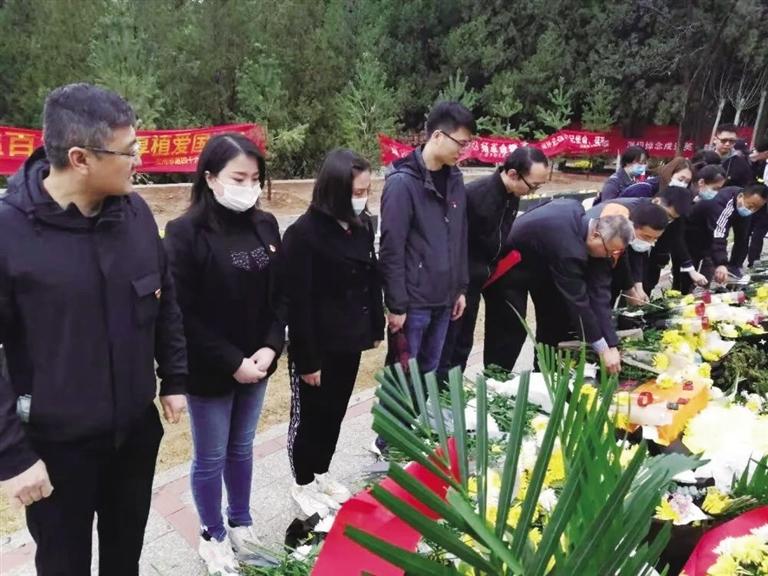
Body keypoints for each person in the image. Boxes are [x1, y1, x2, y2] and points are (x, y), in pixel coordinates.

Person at [0, 83, 187, 575]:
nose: (138, 160)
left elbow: (164, 294)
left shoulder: (135, 214)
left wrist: (175, 376)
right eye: (128, 151)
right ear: (80, 158)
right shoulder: (9, 233)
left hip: (133, 435)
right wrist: (12, 457)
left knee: (125, 560)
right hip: (57, 449)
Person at [164, 134, 284, 574]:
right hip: (212, 367)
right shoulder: (184, 233)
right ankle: (212, 534)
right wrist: (233, 362)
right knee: (211, 455)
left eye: (255, 178)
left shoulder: (265, 225)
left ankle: (241, 523)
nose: (248, 186)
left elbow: (280, 295)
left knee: (242, 447)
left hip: (259, 362)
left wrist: (270, 346)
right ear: (211, 178)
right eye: (238, 178)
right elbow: (182, 313)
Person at [281, 149, 384, 518]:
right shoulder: (303, 235)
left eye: (366, 191)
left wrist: (375, 326)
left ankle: (321, 472)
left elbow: (371, 278)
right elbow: (298, 303)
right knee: (309, 416)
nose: (362, 199)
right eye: (356, 192)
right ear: (334, 190)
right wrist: (308, 359)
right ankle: (302, 482)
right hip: (317, 344)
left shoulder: (361, 225)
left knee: (335, 412)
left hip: (349, 339)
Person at [379, 101, 474, 374]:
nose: (463, 151)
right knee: (403, 379)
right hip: (414, 303)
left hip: (445, 300)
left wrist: (460, 288)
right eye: (461, 143)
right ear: (438, 136)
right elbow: (391, 248)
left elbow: (459, 236)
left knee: (429, 374)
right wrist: (396, 305)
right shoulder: (402, 183)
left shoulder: (455, 179)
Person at [438, 147, 549, 375]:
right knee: (453, 343)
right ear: (513, 174)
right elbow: (453, 243)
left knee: (471, 340)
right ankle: (443, 390)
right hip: (462, 279)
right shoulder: (475, 196)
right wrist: (459, 286)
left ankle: (484, 379)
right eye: (533, 186)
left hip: (486, 274)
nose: (533, 191)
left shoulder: (512, 196)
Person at [502, 199, 635, 373]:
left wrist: (611, 343)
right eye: (609, 251)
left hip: (544, 267)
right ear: (595, 235)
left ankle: (544, 370)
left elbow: (599, 295)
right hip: (509, 268)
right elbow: (578, 301)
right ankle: (497, 377)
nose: (610, 256)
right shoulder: (569, 250)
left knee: (554, 318)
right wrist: (603, 350)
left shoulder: (588, 229)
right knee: (511, 328)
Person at [682, 183, 768, 293]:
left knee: (709, 269)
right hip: (692, 232)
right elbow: (719, 234)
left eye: (756, 208)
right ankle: (683, 291)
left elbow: (742, 239)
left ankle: (703, 292)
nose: (752, 210)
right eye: (750, 206)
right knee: (688, 273)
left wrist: (735, 266)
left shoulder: (745, 207)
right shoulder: (724, 203)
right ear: (740, 196)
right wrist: (721, 263)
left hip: (711, 235)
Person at [620, 157, 694, 199]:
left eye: (687, 182)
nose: (682, 184)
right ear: (670, 174)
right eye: (680, 179)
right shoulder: (643, 189)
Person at [744, 138, 768, 266]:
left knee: (758, 234)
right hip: (756, 202)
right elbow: (753, 179)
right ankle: (739, 260)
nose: (755, 154)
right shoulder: (760, 163)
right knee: (746, 231)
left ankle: (753, 262)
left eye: (758, 152)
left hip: (766, 206)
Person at [714, 123, 753, 187]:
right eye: (724, 140)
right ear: (715, 140)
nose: (727, 144)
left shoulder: (742, 164)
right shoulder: (702, 157)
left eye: (732, 141)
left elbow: (746, 187)